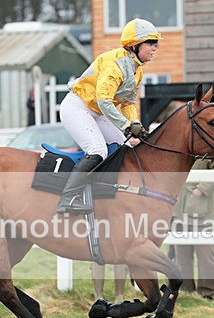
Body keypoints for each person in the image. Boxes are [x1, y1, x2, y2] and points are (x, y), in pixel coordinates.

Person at [56, 18, 161, 214]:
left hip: (98, 112)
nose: (155, 48)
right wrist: (126, 126)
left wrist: (134, 125)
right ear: (135, 45)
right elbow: (104, 100)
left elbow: (128, 103)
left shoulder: (137, 70)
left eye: (156, 43)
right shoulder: (115, 65)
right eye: (150, 43)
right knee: (98, 151)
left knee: (127, 147)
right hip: (78, 107)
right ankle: (67, 200)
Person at [173, 158, 214, 299]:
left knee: (206, 254)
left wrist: (202, 188)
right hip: (178, 210)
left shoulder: (208, 147)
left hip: (203, 212)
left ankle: (209, 291)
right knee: (181, 256)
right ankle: (184, 289)